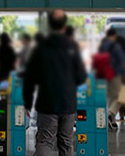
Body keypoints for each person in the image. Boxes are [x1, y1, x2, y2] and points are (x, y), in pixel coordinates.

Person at [23, 10, 87, 156]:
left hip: (47, 102)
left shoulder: (41, 47)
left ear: (50, 27)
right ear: (64, 26)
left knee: (45, 141)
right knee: (66, 142)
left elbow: (30, 78)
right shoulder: (72, 47)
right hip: (68, 103)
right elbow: (81, 77)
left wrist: (27, 102)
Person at [98, 28, 125, 130]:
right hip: (115, 74)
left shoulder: (102, 45)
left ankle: (112, 121)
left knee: (110, 97)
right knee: (120, 97)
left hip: (105, 75)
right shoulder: (115, 46)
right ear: (114, 36)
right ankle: (110, 114)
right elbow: (122, 60)